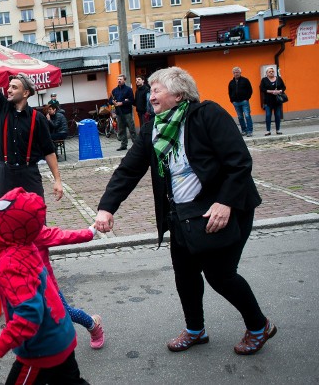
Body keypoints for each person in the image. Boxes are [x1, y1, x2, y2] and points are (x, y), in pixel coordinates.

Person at [95, 66, 276, 356]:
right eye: (150, 90)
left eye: (157, 90)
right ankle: (195, 329)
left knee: (220, 275)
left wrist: (225, 202)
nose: (150, 95)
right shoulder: (153, 128)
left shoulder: (207, 115)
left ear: (179, 95)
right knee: (185, 274)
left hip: (224, 208)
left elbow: (239, 162)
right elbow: (128, 170)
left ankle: (258, 326)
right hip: (182, 214)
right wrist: (106, 208)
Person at [0, 188, 88, 383]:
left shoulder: (12, 262)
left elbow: (29, 316)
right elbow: (0, 273)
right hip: (61, 337)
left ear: (6, 228)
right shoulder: (24, 248)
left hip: (41, 350)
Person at [0, 210, 104, 349]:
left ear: (11, 225)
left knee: (64, 313)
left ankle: (93, 325)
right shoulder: (0, 235)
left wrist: (91, 230)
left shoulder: (39, 234)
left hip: (46, 288)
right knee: (28, 318)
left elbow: (68, 236)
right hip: (20, 288)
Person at [0, 38, 63, 205]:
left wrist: (57, 180)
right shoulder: (3, 108)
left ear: (25, 93)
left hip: (29, 172)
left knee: (36, 219)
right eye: (9, 86)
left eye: (14, 87)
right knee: (1, 221)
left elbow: (49, 151)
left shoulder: (37, 118)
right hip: (5, 173)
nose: (8, 89)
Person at [110, 74, 136, 151]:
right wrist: (113, 102)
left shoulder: (128, 90)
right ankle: (123, 145)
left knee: (131, 129)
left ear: (124, 80)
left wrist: (122, 103)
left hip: (127, 112)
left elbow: (131, 100)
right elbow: (110, 100)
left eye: (120, 79)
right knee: (121, 129)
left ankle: (136, 145)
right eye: (118, 79)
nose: (119, 80)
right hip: (118, 113)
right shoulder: (114, 90)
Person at [260, 66, 286, 136]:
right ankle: (268, 130)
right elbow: (262, 89)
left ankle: (278, 129)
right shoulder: (264, 80)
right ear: (267, 73)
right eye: (269, 72)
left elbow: (284, 87)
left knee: (277, 115)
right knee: (268, 115)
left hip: (277, 100)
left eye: (272, 71)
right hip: (268, 101)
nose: (271, 73)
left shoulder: (278, 79)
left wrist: (280, 91)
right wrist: (271, 91)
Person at [228, 66, 254, 137]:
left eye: (238, 72)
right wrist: (232, 100)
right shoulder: (231, 82)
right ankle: (244, 130)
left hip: (244, 101)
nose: (236, 74)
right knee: (240, 117)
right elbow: (230, 92)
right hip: (236, 102)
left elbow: (250, 90)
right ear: (233, 73)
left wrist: (247, 98)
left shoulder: (245, 80)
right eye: (235, 72)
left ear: (240, 73)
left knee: (247, 116)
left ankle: (249, 131)